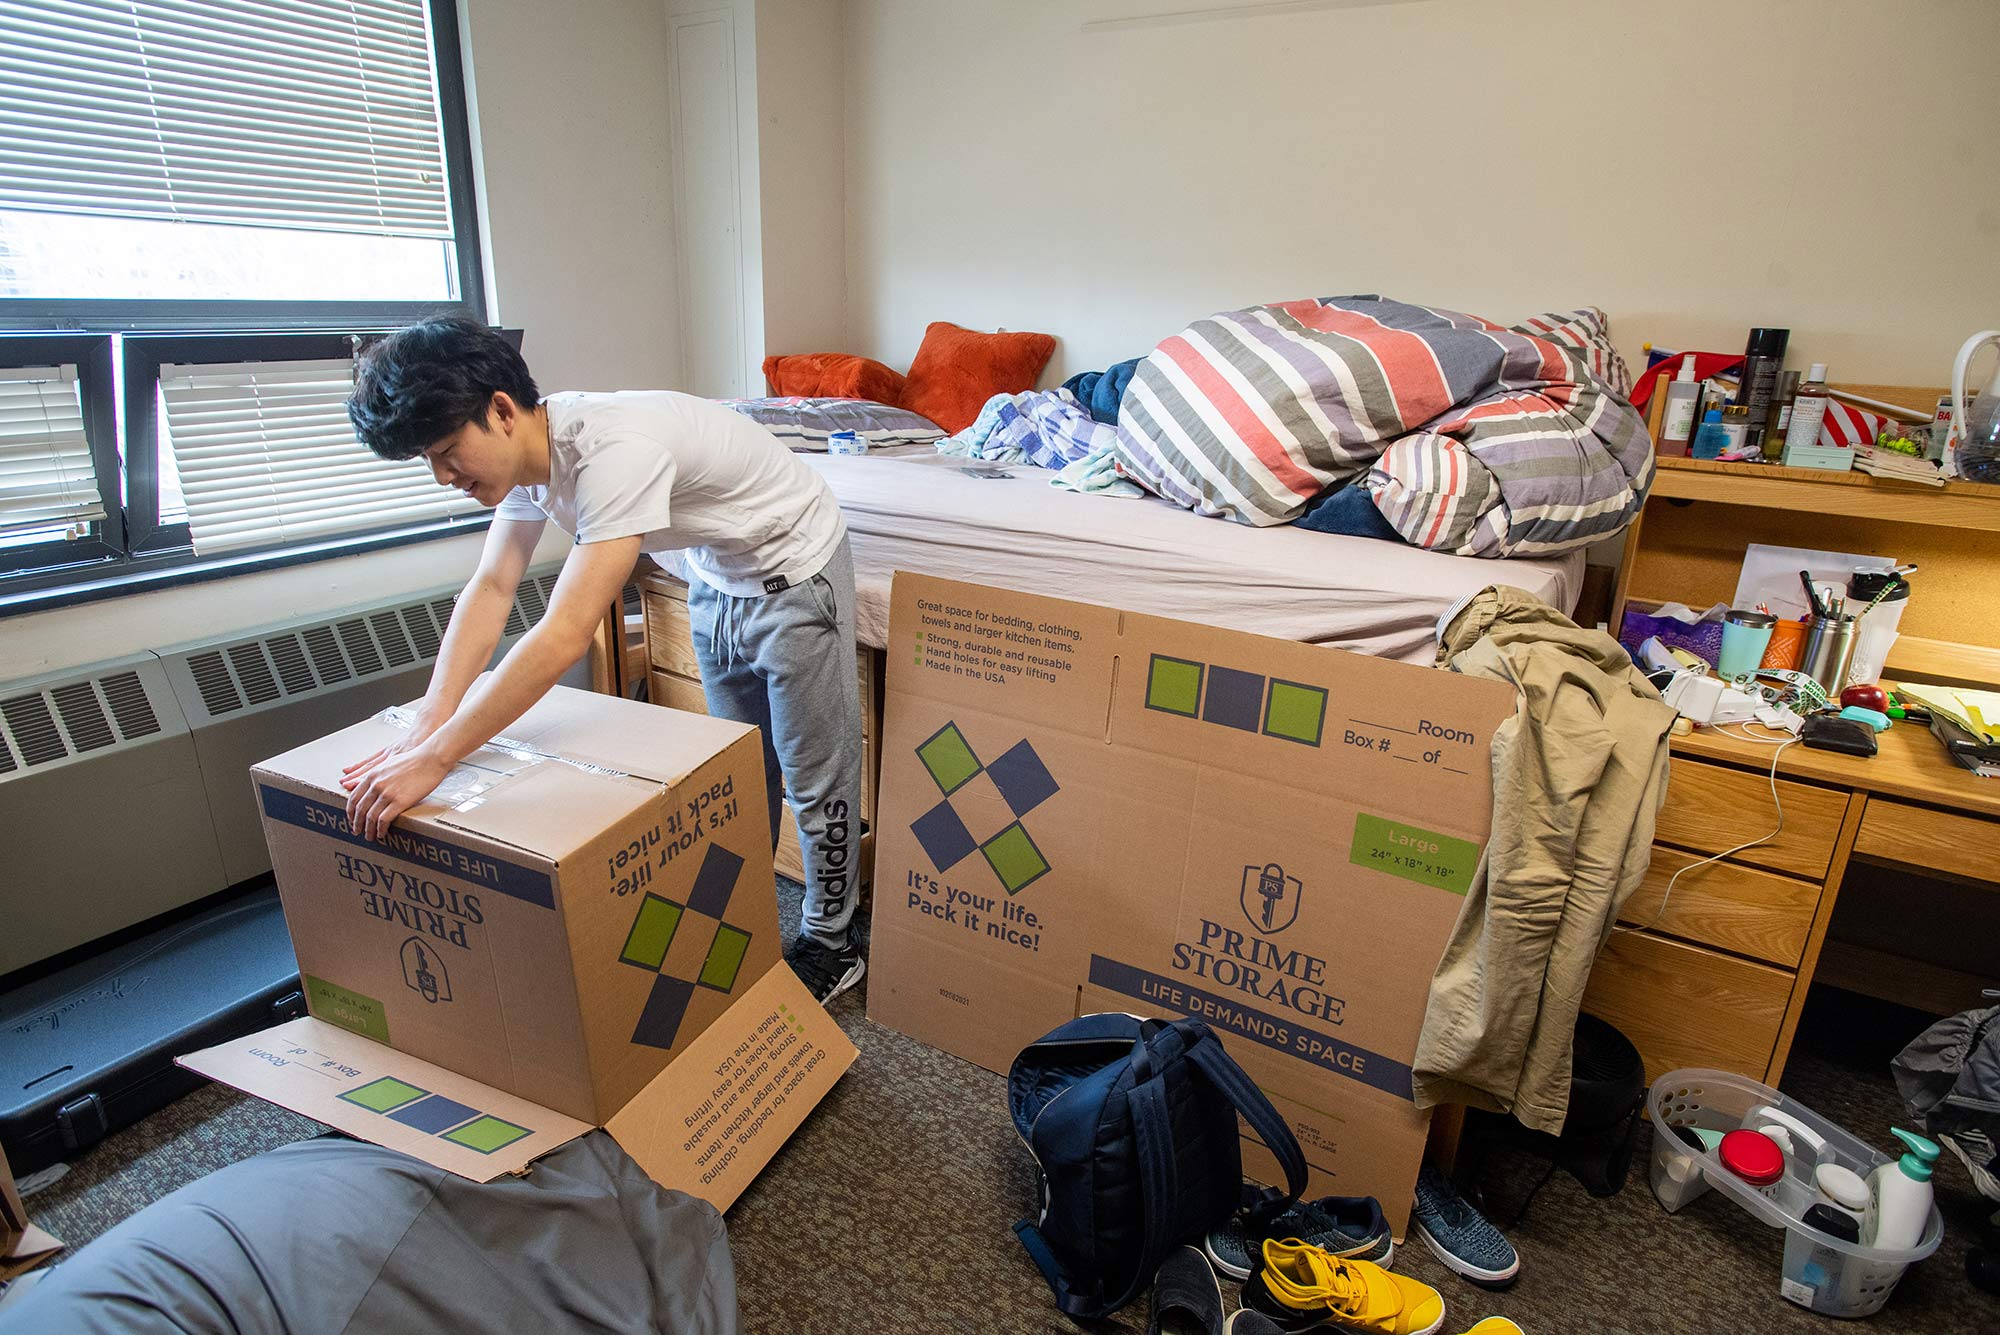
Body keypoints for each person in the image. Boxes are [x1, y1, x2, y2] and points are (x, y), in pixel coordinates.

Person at [340, 316, 866, 1003]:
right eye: (428, 462)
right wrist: (428, 724)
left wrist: (439, 759)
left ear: (501, 409)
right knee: (744, 773)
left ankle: (834, 939)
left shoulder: (612, 452)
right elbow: (493, 587)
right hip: (713, 576)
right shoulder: (530, 464)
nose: (443, 477)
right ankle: (747, 922)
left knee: (813, 776)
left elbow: (563, 632)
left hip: (794, 570)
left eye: (445, 451)